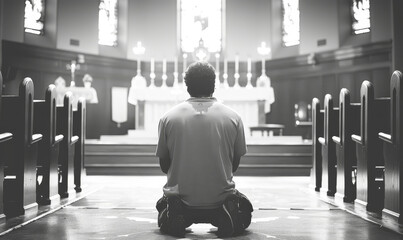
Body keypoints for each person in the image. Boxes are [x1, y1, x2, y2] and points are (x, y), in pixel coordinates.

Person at [155, 61, 253, 238]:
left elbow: (164, 166)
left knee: (161, 206)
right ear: (214, 85)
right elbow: (234, 166)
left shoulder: (168, 118)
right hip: (220, 199)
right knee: (244, 210)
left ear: (187, 86)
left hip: (181, 199)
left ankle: (175, 213)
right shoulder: (233, 117)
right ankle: (227, 212)